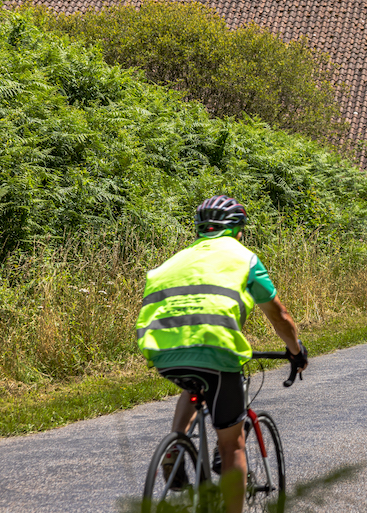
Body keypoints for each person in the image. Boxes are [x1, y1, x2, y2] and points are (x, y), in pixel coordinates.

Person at [136, 195, 308, 513]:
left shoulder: (175, 260)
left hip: (162, 349)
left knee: (194, 384)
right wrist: (296, 352)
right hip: (216, 350)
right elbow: (279, 316)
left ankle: (177, 442)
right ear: (239, 230)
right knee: (231, 444)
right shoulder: (243, 258)